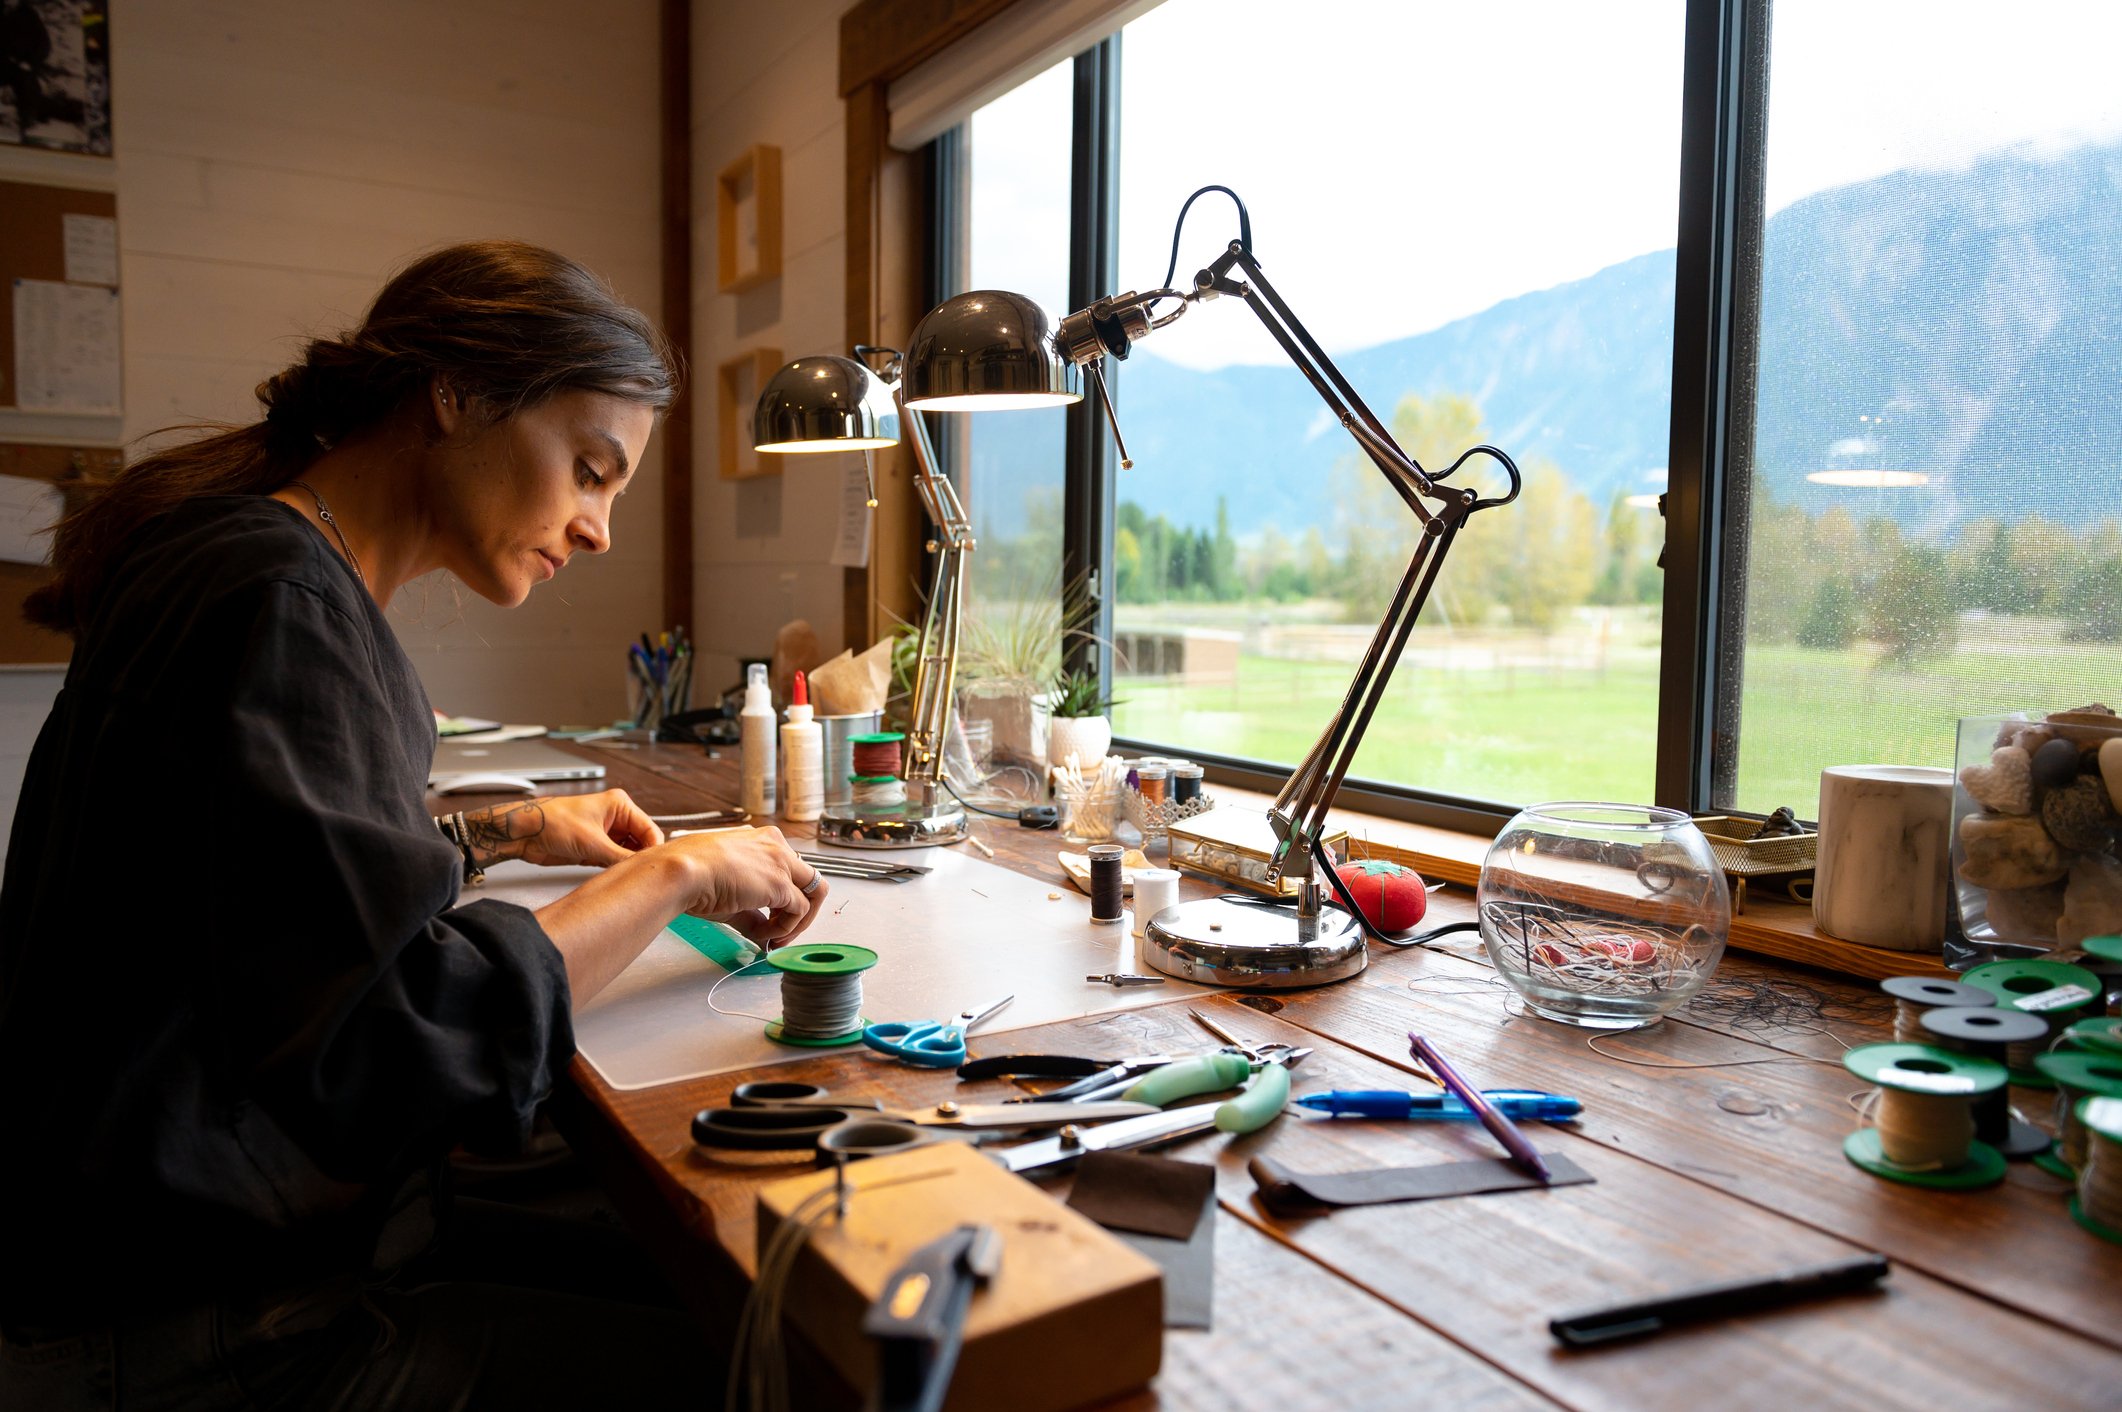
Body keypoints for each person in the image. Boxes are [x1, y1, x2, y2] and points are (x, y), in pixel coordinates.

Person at [0, 240, 824, 1408]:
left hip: (142, 1256)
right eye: (590, 469)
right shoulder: (280, 598)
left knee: (680, 1268)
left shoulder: (250, 560)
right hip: (192, 1332)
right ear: (459, 394)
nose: (598, 529)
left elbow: (254, 906)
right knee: (768, 1364)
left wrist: (502, 834)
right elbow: (400, 1045)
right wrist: (677, 875)